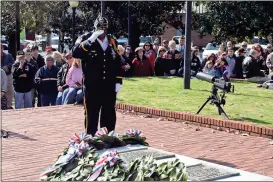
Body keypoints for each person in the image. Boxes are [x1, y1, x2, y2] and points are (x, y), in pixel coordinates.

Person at [72, 15, 123, 136]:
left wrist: (118, 81)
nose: (102, 31)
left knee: (109, 114)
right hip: (92, 85)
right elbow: (75, 52)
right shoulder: (85, 38)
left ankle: (107, 139)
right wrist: (90, 40)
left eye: (104, 29)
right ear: (95, 28)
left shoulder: (111, 41)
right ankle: (91, 139)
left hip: (108, 85)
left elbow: (117, 61)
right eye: (99, 29)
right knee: (91, 114)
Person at [1, 44, 15, 109]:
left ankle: (8, 106)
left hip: (8, 75)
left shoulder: (8, 55)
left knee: (9, 91)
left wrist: (8, 66)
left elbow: (13, 62)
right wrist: (2, 68)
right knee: (2, 91)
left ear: (3, 48)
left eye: (1, 48)